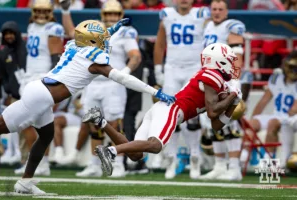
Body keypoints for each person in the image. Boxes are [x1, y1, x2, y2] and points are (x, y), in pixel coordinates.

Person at [0, 19, 174, 194]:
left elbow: (92, 40)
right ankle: (26, 181)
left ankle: (25, 183)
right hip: (39, 98)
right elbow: (123, 78)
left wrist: (112, 30)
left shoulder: (75, 45)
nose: (105, 42)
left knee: (46, 135)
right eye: (102, 39)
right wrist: (154, 92)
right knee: (0, 127)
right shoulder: (95, 61)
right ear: (92, 41)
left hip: (41, 94)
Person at [84, 43, 242, 177]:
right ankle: (110, 151)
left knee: (135, 154)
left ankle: (101, 121)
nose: (232, 64)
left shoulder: (215, 80)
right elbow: (212, 112)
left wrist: (233, 103)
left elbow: (216, 125)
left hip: (162, 109)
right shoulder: (212, 75)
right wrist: (233, 94)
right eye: (229, 60)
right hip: (171, 109)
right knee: (155, 145)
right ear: (219, 61)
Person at [59, 0, 142, 178]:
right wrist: (65, 12)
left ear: (120, 16)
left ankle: (119, 163)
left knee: (115, 124)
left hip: (113, 84)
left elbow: (135, 56)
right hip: (92, 83)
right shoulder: (94, 31)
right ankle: (95, 164)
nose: (112, 18)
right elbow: (70, 33)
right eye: (109, 14)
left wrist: (125, 72)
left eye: (115, 14)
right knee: (93, 124)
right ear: (103, 15)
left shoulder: (125, 32)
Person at [153, 0, 210, 179]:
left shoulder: (201, 15)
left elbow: (210, 43)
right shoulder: (167, 15)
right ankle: (172, 158)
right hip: (172, 68)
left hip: (194, 68)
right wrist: (157, 68)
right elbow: (160, 44)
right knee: (171, 115)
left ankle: (195, 157)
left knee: (192, 116)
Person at [199, 0, 251, 181]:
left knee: (230, 122)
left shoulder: (232, 26)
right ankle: (220, 166)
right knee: (212, 122)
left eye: (221, 9)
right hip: (213, 80)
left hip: (227, 81)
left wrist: (235, 82)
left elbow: (237, 57)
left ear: (227, 11)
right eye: (214, 9)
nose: (217, 12)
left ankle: (234, 167)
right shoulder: (208, 26)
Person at [14, 0, 65, 176]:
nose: (42, 14)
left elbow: (56, 58)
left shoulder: (53, 28)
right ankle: (38, 162)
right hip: (29, 78)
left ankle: (41, 163)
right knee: (29, 123)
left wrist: (53, 82)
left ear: (51, 12)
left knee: (39, 124)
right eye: (38, 11)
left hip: (42, 77)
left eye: (45, 11)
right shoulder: (32, 27)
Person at [250, 50, 297, 166]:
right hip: (279, 115)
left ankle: (268, 159)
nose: (293, 71)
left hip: (292, 118)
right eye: (292, 67)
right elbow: (263, 101)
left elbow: (293, 110)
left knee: (272, 123)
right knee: (252, 124)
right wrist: (253, 118)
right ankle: (243, 157)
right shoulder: (277, 78)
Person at [0, 21, 27, 165]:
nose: (9, 36)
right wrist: (9, 90)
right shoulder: (3, 52)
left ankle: (33, 161)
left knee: (31, 129)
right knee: (18, 129)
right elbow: (2, 74)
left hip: (30, 95)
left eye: (11, 33)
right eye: (6, 34)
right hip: (15, 97)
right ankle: (22, 159)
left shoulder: (25, 49)